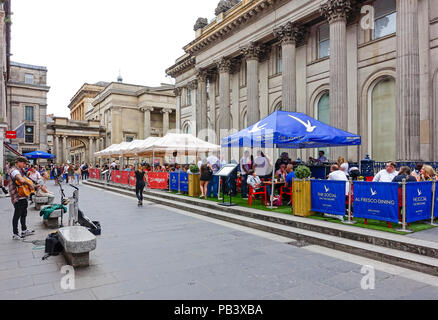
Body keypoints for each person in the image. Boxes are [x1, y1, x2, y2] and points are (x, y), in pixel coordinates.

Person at [8, 157, 35, 240]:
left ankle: (24, 230)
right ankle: (15, 233)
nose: (25, 165)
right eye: (24, 163)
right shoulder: (14, 171)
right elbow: (21, 180)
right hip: (17, 196)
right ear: (19, 162)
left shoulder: (20, 170)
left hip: (22, 195)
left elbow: (22, 182)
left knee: (23, 214)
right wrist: (29, 184)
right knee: (17, 215)